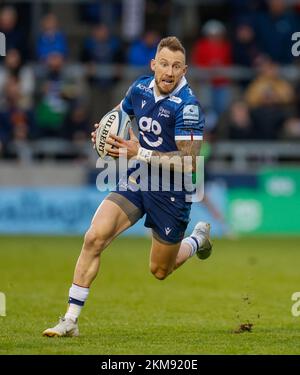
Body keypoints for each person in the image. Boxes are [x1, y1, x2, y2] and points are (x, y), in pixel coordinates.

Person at [43, 36, 213, 337]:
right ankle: (70, 320)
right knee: (95, 237)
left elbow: (189, 162)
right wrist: (104, 130)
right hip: (139, 176)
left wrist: (140, 152)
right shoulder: (139, 88)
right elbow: (121, 111)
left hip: (171, 191)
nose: (169, 71)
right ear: (153, 65)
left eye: (176, 66)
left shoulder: (188, 107)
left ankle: (197, 240)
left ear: (184, 70)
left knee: (160, 270)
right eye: (163, 64)